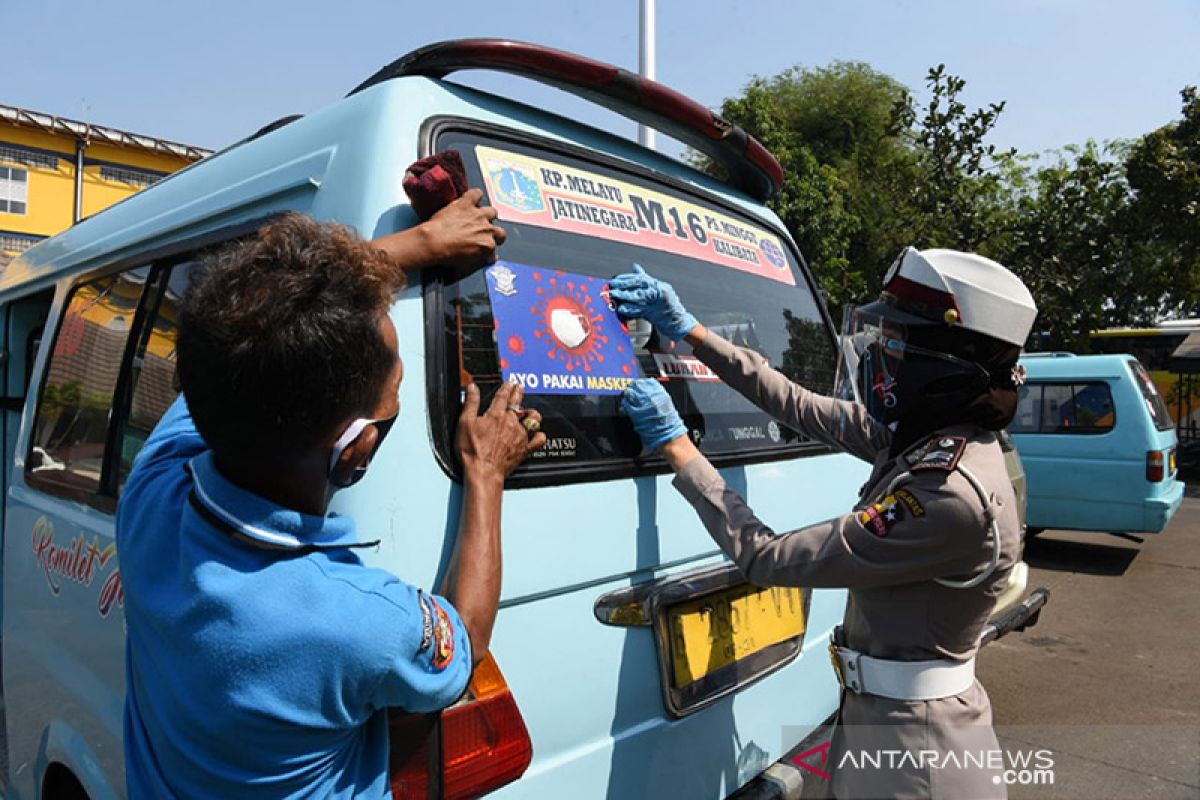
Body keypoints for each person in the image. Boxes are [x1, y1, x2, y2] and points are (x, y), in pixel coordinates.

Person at [116, 191, 546, 799]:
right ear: (356, 450)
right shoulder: (355, 618)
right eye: (394, 397)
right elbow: (465, 642)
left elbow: (252, 335)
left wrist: (419, 244)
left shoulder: (152, 492)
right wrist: (486, 473)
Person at [611, 248, 1038, 799]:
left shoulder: (951, 491)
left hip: (918, 758)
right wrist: (691, 330)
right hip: (882, 724)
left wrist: (679, 449)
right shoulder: (928, 438)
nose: (881, 354)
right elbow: (799, 405)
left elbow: (769, 558)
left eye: (897, 342)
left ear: (945, 366)